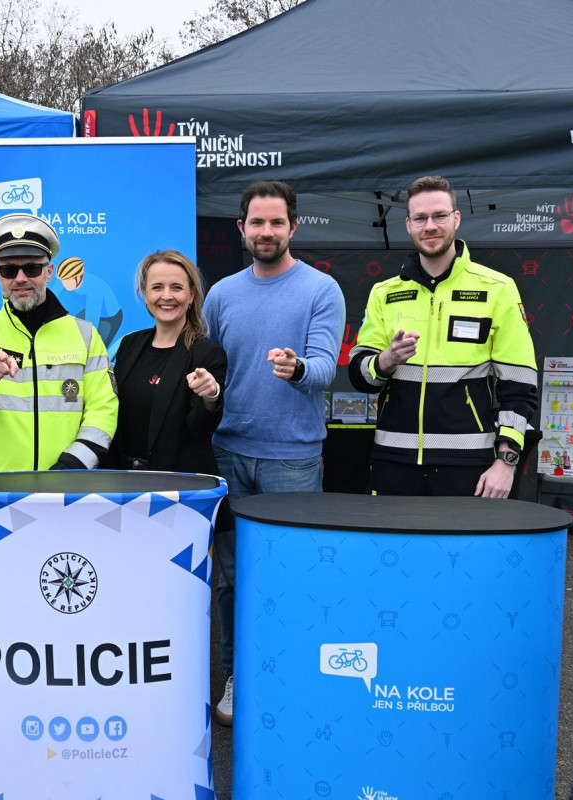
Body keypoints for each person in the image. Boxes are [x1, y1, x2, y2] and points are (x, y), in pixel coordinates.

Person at [202, 180, 345, 726]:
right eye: (257, 223)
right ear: (242, 228)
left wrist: (298, 368)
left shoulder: (321, 290)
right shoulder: (221, 295)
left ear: (293, 226)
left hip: (293, 459)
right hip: (227, 455)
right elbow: (210, 368)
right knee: (233, 579)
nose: (266, 232)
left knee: (294, 577)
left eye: (276, 222)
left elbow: (325, 368)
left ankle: (293, 677)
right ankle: (238, 675)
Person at [348, 175, 538, 497]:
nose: (430, 226)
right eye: (420, 218)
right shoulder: (384, 292)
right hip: (393, 461)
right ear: (408, 225)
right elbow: (360, 376)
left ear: (456, 219)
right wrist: (385, 361)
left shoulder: (498, 289)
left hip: (467, 465)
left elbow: (519, 385)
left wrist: (506, 461)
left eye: (439, 216)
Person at [0, 213, 118, 472]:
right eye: (9, 270)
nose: (20, 278)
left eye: (32, 268)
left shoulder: (86, 335)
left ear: (49, 272)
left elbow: (103, 409)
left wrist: (73, 465)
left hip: (65, 483)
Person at [107, 250, 226, 473]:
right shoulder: (130, 345)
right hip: (124, 479)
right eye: (157, 287)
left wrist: (210, 396)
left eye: (177, 287)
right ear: (144, 294)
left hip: (177, 482)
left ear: (191, 295)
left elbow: (201, 429)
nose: (167, 296)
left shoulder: (207, 354)